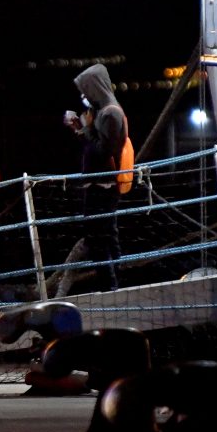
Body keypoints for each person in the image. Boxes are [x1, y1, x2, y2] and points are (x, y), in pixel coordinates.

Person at [64, 63, 126, 293]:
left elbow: (103, 151)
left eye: (86, 89)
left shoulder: (111, 113)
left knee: (100, 238)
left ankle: (110, 285)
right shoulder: (103, 112)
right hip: (96, 182)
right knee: (105, 236)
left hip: (104, 185)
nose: (84, 96)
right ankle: (112, 284)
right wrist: (80, 129)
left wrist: (88, 128)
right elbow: (93, 146)